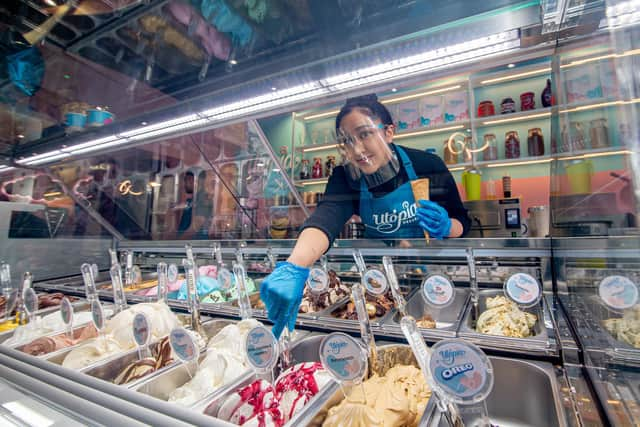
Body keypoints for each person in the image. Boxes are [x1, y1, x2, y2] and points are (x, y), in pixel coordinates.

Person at [260, 94, 470, 337]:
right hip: (380, 284)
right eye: (347, 141)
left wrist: (447, 227)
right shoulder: (346, 177)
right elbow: (326, 217)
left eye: (364, 134)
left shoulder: (428, 165)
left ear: (388, 132)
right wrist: (294, 266)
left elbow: (463, 222)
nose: (357, 150)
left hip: (435, 281)